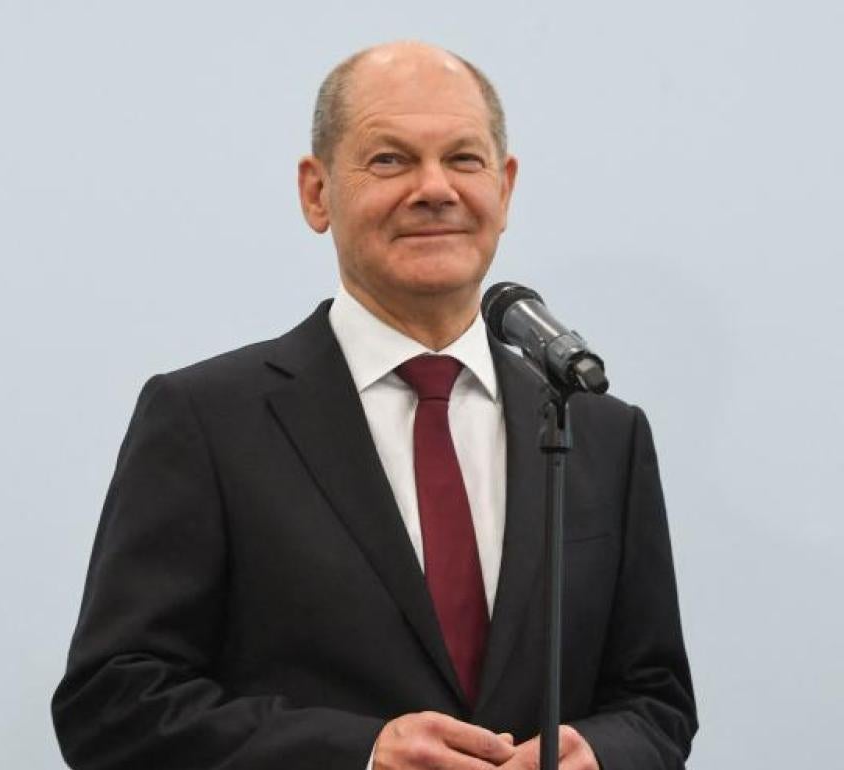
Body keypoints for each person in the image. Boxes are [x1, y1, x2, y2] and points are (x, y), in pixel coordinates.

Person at [52, 41, 696, 770]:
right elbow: (112, 705)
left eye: (464, 159)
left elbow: (657, 701)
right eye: (390, 160)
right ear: (316, 192)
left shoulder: (600, 431)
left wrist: (602, 753)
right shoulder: (206, 419)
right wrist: (359, 754)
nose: (435, 188)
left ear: (505, 187)